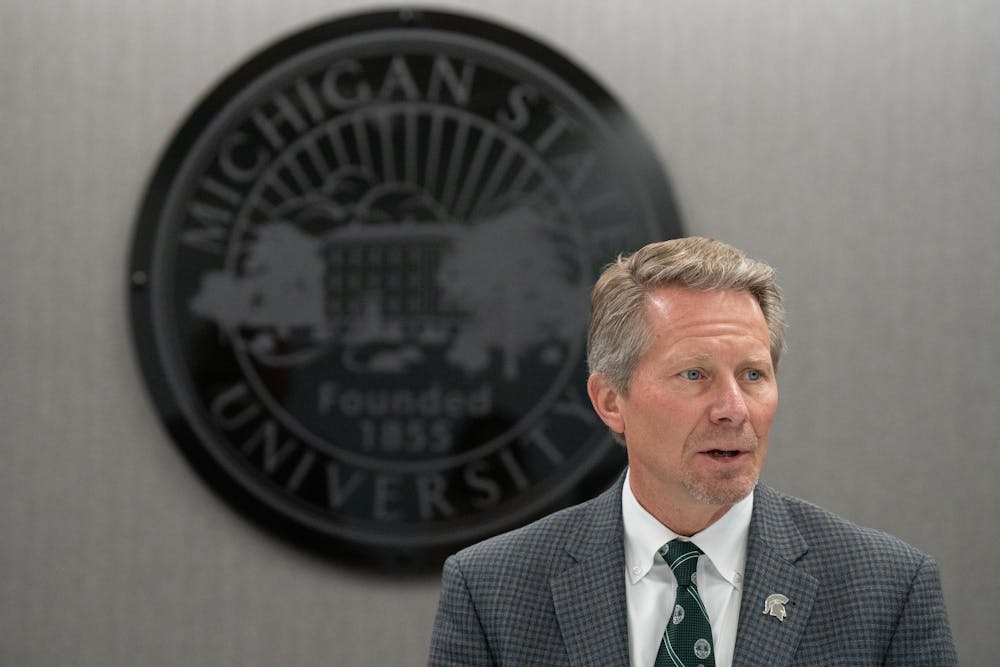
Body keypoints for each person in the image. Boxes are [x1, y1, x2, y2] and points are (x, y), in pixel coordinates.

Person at [427, 237, 957, 666]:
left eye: (753, 374)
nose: (732, 409)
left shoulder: (887, 589)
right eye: (694, 374)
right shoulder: (493, 591)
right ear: (611, 400)